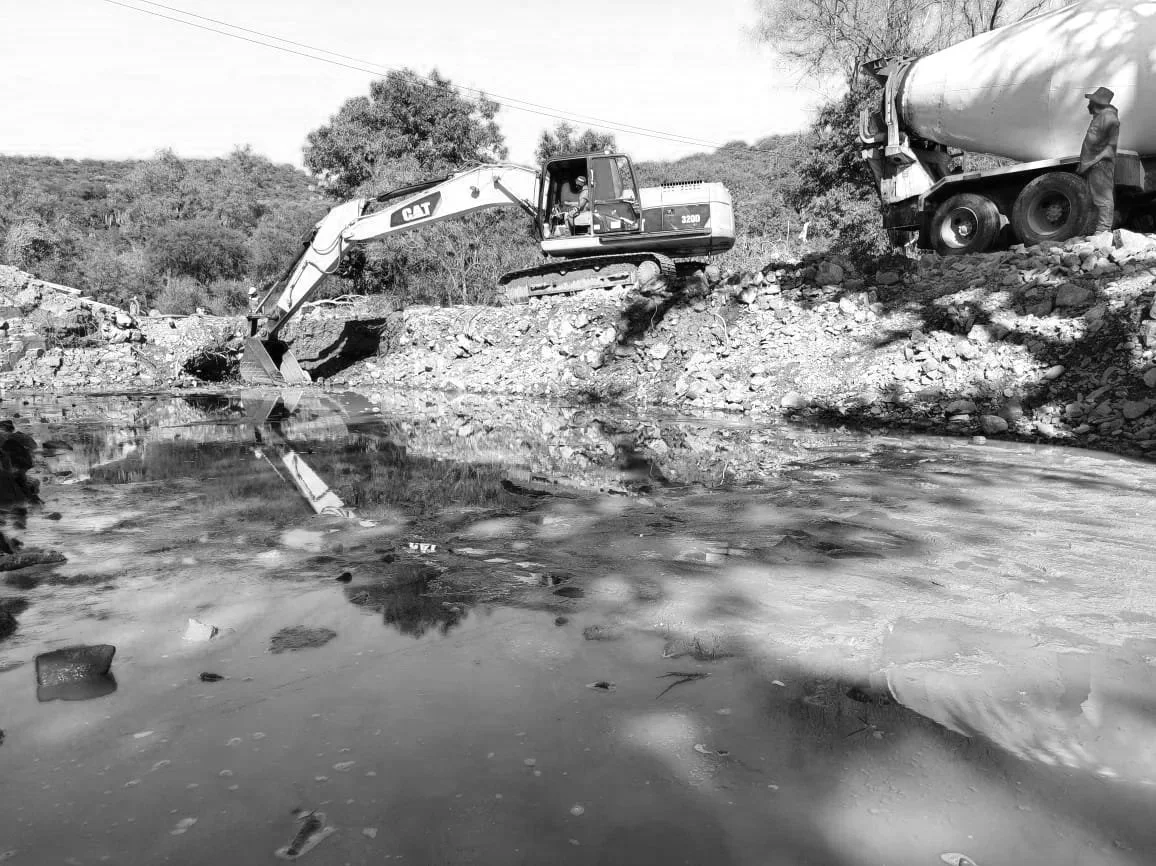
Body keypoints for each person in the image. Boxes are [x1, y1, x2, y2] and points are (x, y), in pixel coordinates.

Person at [1077, 86, 1120, 234]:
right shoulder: (1101, 117)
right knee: (1098, 198)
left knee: (1103, 199)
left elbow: (1110, 145)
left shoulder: (1109, 119)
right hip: (1094, 162)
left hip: (1099, 162)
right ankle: (1100, 230)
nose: (1088, 104)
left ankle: (1103, 231)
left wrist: (1096, 159)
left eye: (1091, 101)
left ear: (1096, 103)